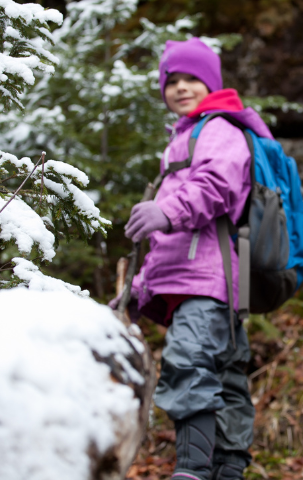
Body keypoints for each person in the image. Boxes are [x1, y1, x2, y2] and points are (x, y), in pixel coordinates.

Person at [111, 38, 274, 480]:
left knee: (189, 361)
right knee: (223, 375)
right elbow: (166, 245)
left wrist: (166, 210)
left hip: (209, 280)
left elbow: (218, 186)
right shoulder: (186, 135)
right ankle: (225, 470)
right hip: (198, 279)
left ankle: (192, 470)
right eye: (172, 80)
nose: (181, 87)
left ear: (212, 82)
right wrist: (135, 290)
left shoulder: (218, 128)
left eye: (192, 79)